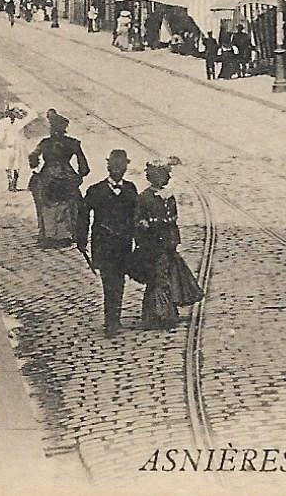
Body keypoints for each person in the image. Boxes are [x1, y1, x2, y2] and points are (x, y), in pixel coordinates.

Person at [129, 160, 202, 329]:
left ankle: (165, 312)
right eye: (161, 175)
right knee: (156, 279)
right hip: (151, 245)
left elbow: (173, 218)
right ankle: (155, 314)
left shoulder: (168, 196)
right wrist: (147, 228)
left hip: (167, 244)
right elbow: (138, 221)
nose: (166, 178)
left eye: (166, 175)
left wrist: (166, 230)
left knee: (165, 278)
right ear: (152, 176)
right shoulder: (144, 197)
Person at [78, 149, 140, 337]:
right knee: (108, 281)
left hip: (123, 244)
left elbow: (136, 216)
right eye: (114, 166)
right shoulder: (96, 190)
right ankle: (110, 321)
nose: (118, 170)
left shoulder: (130, 189)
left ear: (126, 168)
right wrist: (81, 239)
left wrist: (139, 238)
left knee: (119, 280)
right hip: (103, 245)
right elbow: (83, 215)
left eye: (121, 166)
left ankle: (115, 317)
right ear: (108, 166)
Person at [28, 110, 89, 248]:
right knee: (70, 204)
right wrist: (79, 177)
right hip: (67, 176)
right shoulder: (72, 143)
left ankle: (49, 234)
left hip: (47, 177)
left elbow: (32, 158)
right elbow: (84, 167)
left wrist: (35, 165)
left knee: (45, 203)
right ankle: (67, 234)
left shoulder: (45, 143)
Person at [0, 102, 35, 193]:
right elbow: (0, 134)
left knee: (14, 165)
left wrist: (21, 105)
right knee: (10, 165)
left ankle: (12, 183)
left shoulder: (17, 122)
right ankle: (11, 182)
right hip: (11, 146)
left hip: (14, 146)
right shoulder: (8, 122)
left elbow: (33, 114)